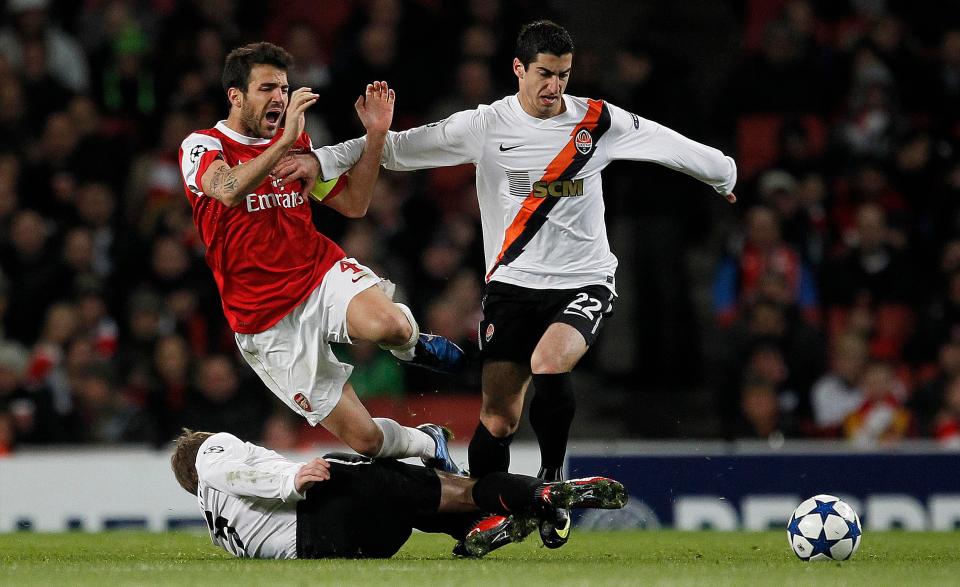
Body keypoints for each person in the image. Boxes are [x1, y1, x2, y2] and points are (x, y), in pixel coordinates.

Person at [275, 20, 738, 548]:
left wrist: (722, 172)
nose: (554, 87)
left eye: (563, 75)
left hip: (583, 280)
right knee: (497, 418)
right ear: (518, 69)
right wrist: (321, 159)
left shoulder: (596, 121)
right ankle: (483, 512)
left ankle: (550, 482)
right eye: (544, 74)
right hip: (512, 288)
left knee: (549, 362)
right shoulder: (484, 125)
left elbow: (662, 140)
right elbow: (400, 147)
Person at [177, 42, 465, 472]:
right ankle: (426, 442)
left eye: (284, 88)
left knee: (387, 324)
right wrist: (286, 142)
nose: (279, 97)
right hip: (264, 321)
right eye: (267, 88)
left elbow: (355, 205)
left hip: (317, 275)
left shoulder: (295, 144)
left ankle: (409, 345)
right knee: (366, 440)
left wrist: (375, 138)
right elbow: (227, 189)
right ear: (235, 96)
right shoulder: (202, 145)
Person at [169, 428, 628, 559]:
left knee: (424, 504)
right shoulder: (210, 453)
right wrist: (289, 479)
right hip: (332, 509)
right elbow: (228, 470)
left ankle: (486, 526)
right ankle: (541, 494)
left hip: (351, 549)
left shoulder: (218, 531)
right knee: (456, 488)